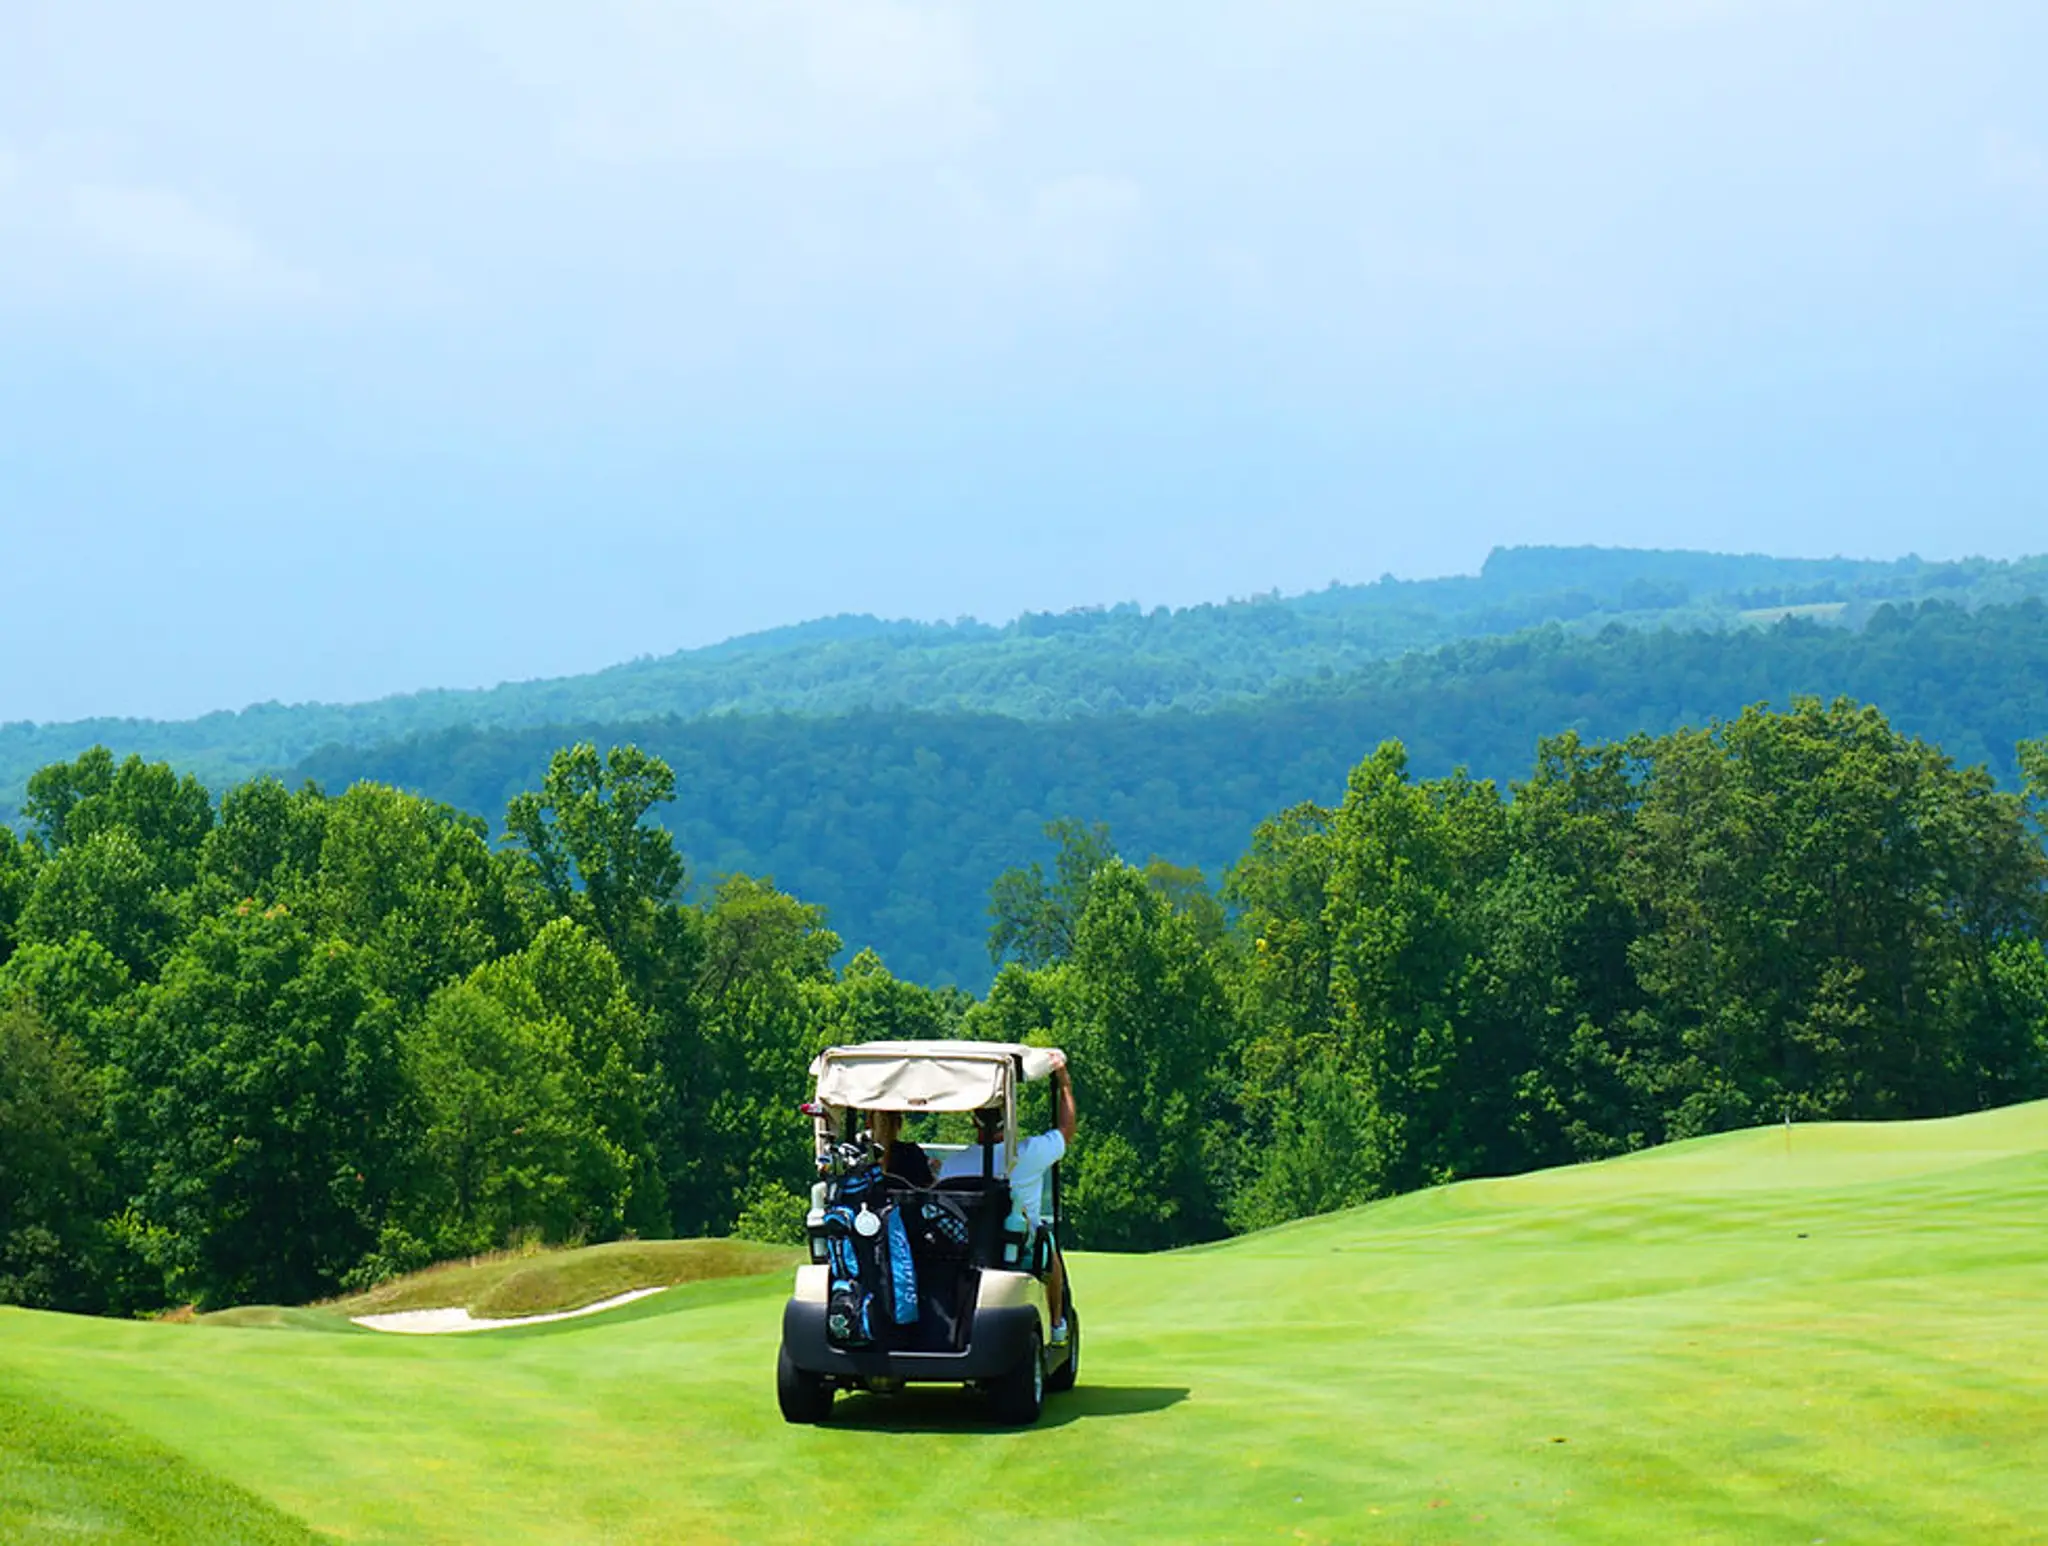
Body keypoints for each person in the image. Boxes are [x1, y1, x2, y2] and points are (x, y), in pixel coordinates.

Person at [935, 1049, 1076, 1344]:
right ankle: (1058, 1323)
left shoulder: (953, 1165)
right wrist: (1064, 1082)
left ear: (974, 1121)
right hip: (1014, 1243)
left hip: (963, 1245)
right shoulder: (1028, 1154)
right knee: (1047, 1245)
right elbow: (1066, 1130)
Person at [870, 1108, 936, 1188]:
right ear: (900, 1124)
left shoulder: (863, 1156)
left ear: (870, 1124)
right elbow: (927, 1186)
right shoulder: (912, 1154)